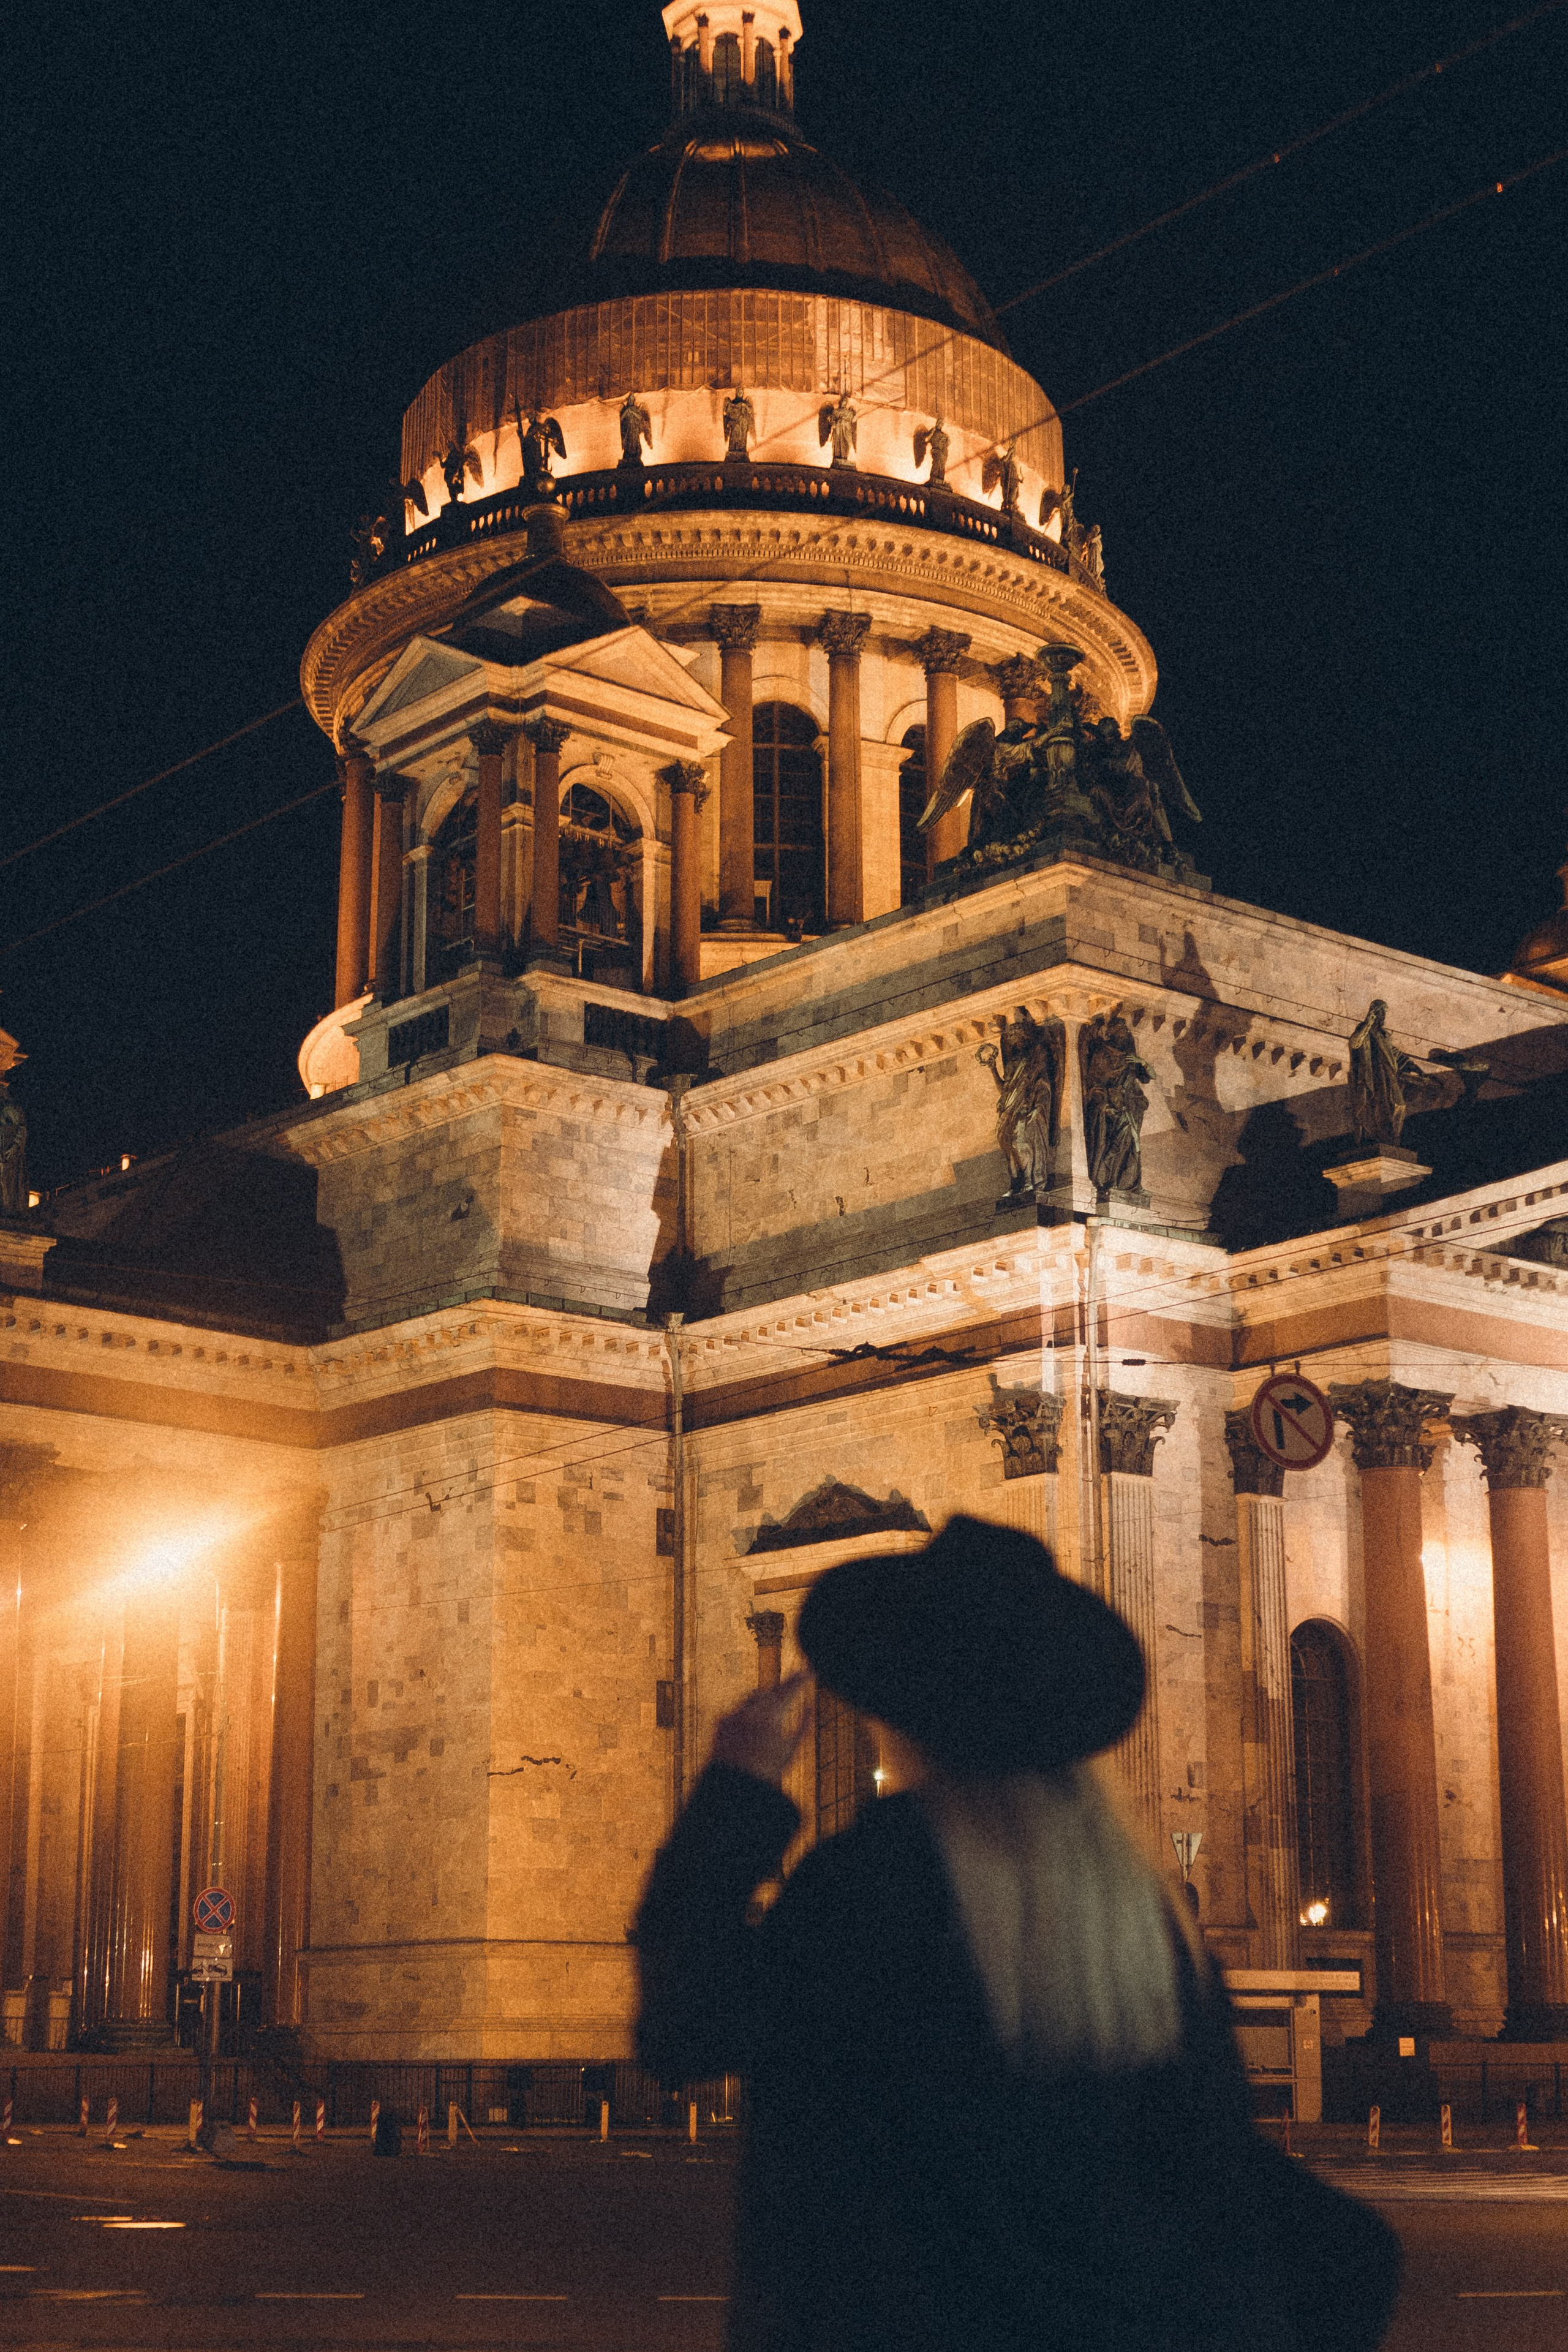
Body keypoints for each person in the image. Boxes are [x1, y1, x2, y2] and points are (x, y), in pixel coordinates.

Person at [635, 1515, 1399, 2352]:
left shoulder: (875, 1889)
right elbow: (1276, 2221)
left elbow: (684, 2027)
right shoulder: (1150, 1930)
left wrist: (736, 1788)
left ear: (901, 1709)